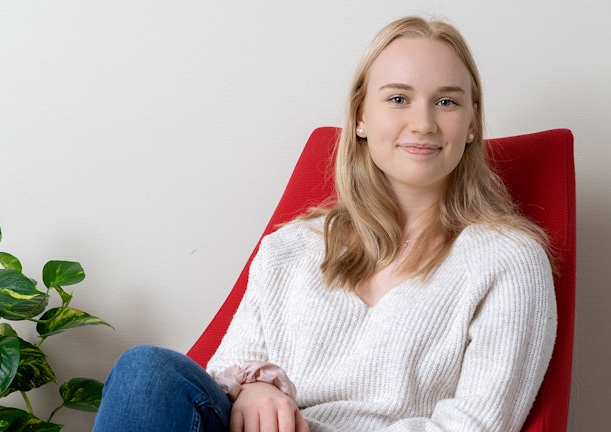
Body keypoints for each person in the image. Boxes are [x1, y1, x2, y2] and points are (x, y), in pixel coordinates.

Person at [93, 15, 556, 432]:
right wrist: (256, 388)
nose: (423, 122)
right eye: (398, 98)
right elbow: (228, 366)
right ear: (360, 118)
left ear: (472, 121)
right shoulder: (291, 246)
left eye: (447, 103)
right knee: (146, 370)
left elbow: (477, 424)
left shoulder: (507, 259)